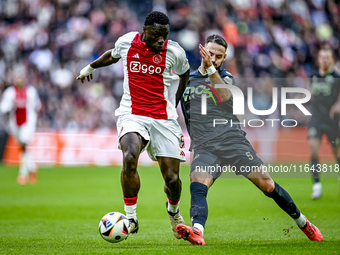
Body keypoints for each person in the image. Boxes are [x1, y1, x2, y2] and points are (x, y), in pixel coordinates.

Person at [176, 34, 323, 245]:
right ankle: (197, 230)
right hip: (204, 145)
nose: (214, 59)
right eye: (210, 54)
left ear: (224, 57)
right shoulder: (188, 79)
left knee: (267, 185)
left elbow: (226, 96)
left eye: (219, 56)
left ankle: (303, 223)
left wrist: (210, 69)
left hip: (232, 140)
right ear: (202, 51)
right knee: (197, 183)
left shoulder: (226, 78)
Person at [76, 11, 190, 238]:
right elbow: (112, 55)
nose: (161, 40)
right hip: (132, 113)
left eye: (165, 35)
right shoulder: (127, 41)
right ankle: (131, 217)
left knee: (173, 180)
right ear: (145, 30)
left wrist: (174, 103)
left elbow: (185, 74)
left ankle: (173, 211)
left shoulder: (174, 51)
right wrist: (91, 67)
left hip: (163, 118)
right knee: (129, 158)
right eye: (157, 35)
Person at [308, 46, 340, 199]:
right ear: (318, 59)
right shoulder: (313, 76)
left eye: (328, 57)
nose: (325, 60)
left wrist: (338, 105)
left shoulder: (337, 77)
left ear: (332, 60)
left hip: (333, 121)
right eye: (322, 57)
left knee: (337, 152)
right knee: (314, 149)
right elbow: (312, 94)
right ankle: (316, 185)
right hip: (316, 119)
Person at [0, 70, 41, 185]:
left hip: (28, 122)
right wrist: (9, 106)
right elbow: (3, 107)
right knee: (22, 148)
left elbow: (37, 105)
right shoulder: (10, 92)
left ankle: (22, 174)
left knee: (23, 144)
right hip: (15, 122)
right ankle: (32, 168)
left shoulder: (31, 91)